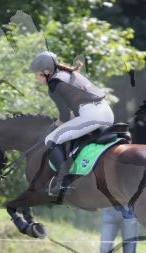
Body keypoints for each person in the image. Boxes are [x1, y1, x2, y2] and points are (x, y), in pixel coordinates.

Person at [28, 51, 114, 194]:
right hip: (106, 112)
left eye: (37, 74)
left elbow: (65, 115)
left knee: (51, 139)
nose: (36, 78)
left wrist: (54, 127)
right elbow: (75, 109)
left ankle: (64, 182)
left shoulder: (54, 84)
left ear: (46, 72)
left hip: (92, 116)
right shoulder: (70, 74)